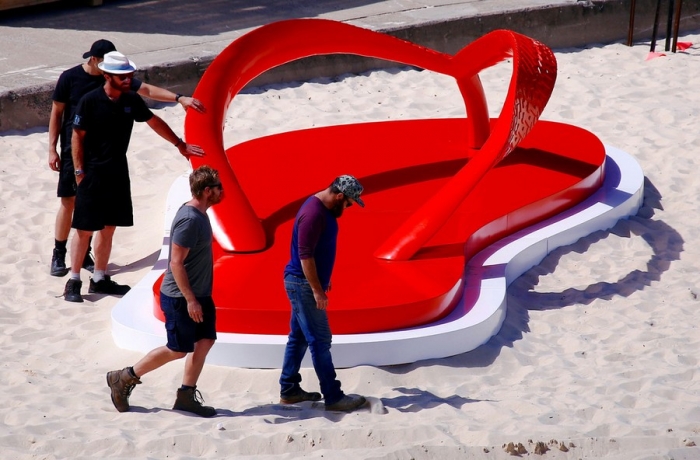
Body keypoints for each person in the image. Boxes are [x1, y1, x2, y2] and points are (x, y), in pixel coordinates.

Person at [48, 39, 205, 277]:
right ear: (96, 61)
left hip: (108, 160)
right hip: (75, 153)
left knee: (98, 218)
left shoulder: (122, 84)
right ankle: (59, 253)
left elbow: (148, 93)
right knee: (70, 202)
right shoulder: (72, 80)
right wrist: (53, 149)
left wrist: (178, 98)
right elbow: (57, 114)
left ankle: (91, 263)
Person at [106, 165, 223, 417]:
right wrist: (191, 300)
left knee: (205, 341)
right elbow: (176, 263)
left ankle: (186, 396)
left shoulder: (200, 212)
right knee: (178, 349)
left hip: (199, 294)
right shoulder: (190, 220)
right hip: (182, 297)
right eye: (218, 188)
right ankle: (124, 377)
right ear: (206, 191)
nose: (222, 191)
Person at [279, 175, 368, 412]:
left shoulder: (323, 208)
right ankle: (333, 396)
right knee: (320, 340)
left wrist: (321, 281)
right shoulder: (313, 214)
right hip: (303, 286)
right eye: (349, 202)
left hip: (305, 283)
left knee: (298, 338)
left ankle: (289, 389)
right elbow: (305, 255)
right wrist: (317, 290)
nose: (348, 207)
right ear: (339, 196)